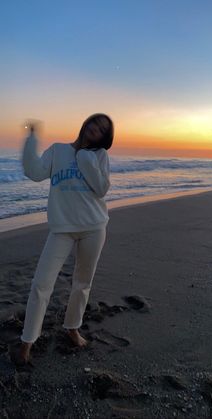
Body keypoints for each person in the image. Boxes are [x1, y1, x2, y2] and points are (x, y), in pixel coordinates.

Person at [15, 113, 114, 365]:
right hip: (62, 228)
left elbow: (101, 188)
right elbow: (34, 172)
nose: (95, 128)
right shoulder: (58, 150)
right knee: (41, 284)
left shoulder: (99, 155)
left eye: (102, 128)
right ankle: (28, 341)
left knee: (82, 283)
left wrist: (85, 158)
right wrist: (31, 139)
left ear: (104, 136)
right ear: (85, 123)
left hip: (94, 227)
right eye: (94, 122)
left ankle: (73, 327)